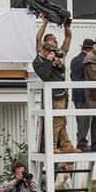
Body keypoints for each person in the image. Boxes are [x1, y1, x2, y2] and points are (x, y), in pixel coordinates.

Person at [31, 20, 78, 154]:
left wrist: (57, 63)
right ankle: (51, 146)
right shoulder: (38, 61)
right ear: (45, 51)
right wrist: (48, 61)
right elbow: (45, 76)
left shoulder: (51, 58)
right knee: (57, 120)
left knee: (62, 120)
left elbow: (62, 70)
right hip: (52, 94)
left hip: (61, 92)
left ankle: (67, 144)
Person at [69, 38, 94, 150]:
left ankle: (81, 141)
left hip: (76, 93)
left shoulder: (74, 60)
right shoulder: (87, 60)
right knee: (84, 121)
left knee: (81, 120)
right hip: (85, 94)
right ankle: (82, 142)